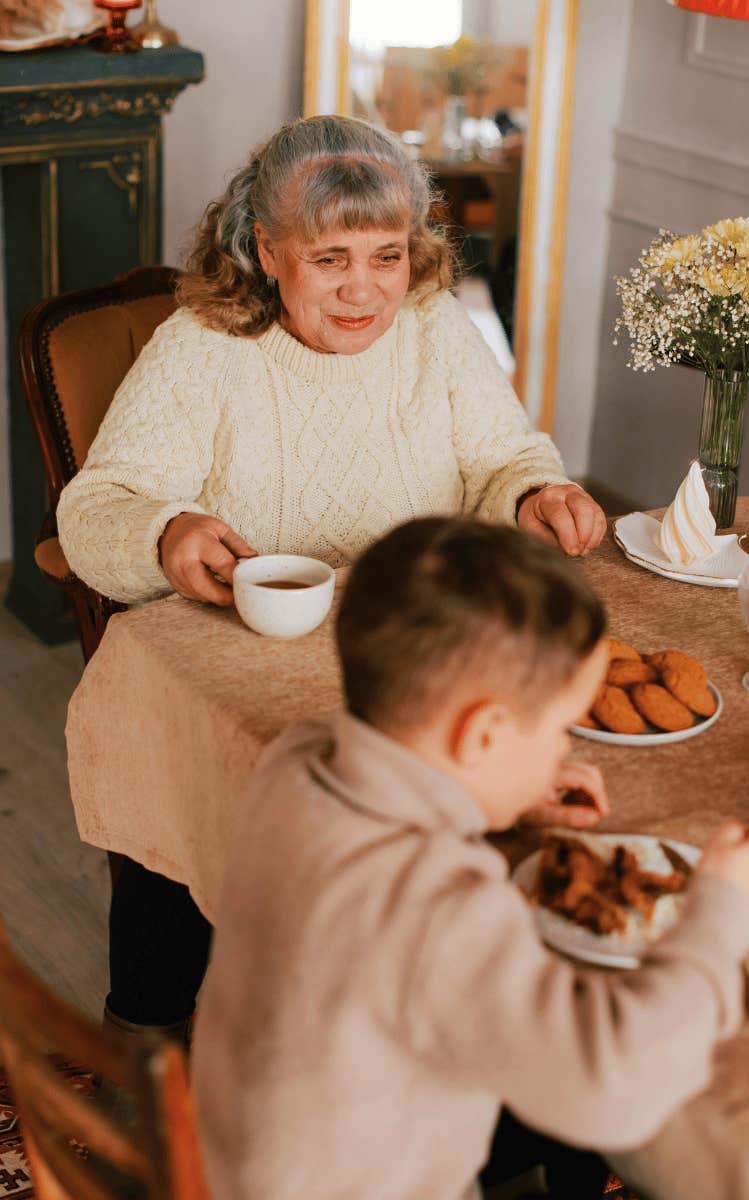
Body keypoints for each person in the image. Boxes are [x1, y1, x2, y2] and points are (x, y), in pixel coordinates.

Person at [56, 114, 607, 1040]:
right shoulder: (203, 344)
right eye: (331, 258)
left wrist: (532, 495)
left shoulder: (433, 326)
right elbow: (98, 504)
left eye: (387, 256)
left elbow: (503, 455)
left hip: (414, 650)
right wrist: (164, 530)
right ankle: (144, 1034)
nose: (365, 290)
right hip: (243, 659)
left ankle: (417, 1028)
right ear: (268, 251)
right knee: (182, 760)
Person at [192, 516, 749, 1200]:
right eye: (560, 731)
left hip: (236, 1164)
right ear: (480, 737)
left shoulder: (293, 759)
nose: (565, 753)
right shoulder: (439, 905)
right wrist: (724, 914)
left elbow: (403, 759)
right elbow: (610, 1089)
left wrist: (498, 796)